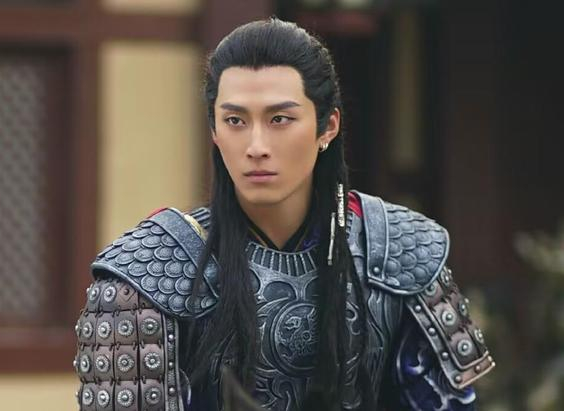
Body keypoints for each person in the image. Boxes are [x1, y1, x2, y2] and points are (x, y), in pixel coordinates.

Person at [73, 18, 494, 411]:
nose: (256, 146)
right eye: (235, 120)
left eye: (280, 119)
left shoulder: (399, 251)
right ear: (214, 132)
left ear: (328, 127)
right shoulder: (150, 272)